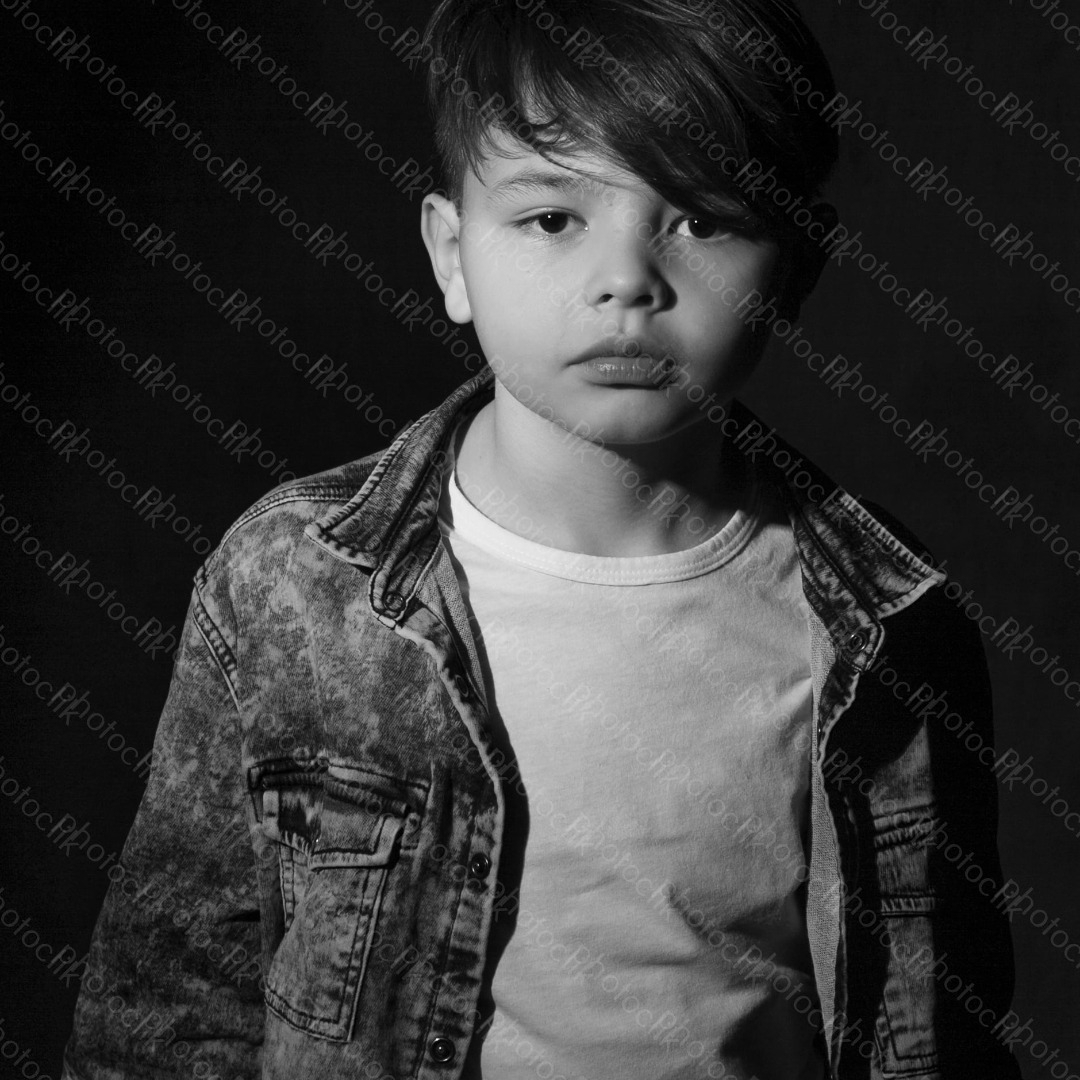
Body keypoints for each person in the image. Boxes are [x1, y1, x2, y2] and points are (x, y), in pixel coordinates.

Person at [61, 1, 1023, 1078]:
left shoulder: (887, 623)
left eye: (702, 219)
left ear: (796, 267)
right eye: (553, 218)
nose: (627, 281)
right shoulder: (294, 584)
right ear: (452, 254)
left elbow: (940, 1027)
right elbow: (170, 1010)